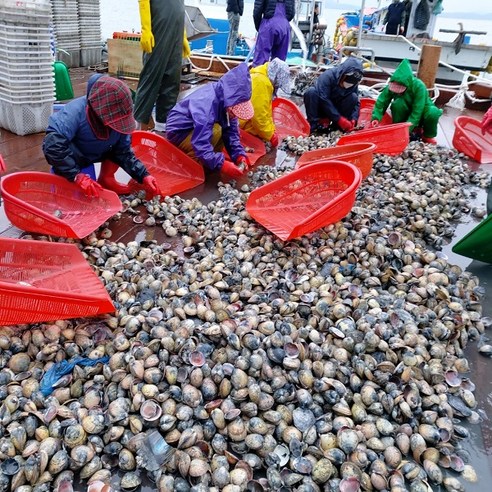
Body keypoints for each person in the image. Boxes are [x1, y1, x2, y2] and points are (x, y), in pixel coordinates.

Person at [42, 75, 160, 198]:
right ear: (98, 113)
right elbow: (52, 146)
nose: (120, 125)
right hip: (72, 159)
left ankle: (106, 179)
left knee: (119, 146)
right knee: (71, 201)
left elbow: (123, 152)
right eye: (115, 122)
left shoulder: (121, 117)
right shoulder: (73, 113)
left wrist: (144, 175)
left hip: (97, 152)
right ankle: (67, 175)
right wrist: (76, 175)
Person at [166, 63, 254, 179]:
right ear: (230, 101)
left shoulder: (228, 102)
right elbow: (200, 142)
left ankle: (209, 160)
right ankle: (191, 163)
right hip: (179, 130)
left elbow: (232, 132)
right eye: (235, 111)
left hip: (196, 127)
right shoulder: (206, 106)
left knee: (223, 130)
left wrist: (239, 155)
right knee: (216, 131)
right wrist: (222, 165)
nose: (235, 115)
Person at [133, 0, 184, 132]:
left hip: (176, 32)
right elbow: (143, 2)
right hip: (158, 30)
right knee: (151, 78)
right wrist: (146, 28)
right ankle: (138, 129)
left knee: (172, 80)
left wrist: (183, 35)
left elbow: (179, 8)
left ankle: (163, 127)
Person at [370, 58, 443, 144]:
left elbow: (417, 110)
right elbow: (382, 102)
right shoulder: (392, 85)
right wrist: (376, 117)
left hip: (422, 110)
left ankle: (427, 135)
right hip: (404, 110)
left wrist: (407, 130)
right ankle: (398, 129)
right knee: (397, 104)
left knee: (433, 112)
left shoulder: (419, 86)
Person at [303, 57, 364, 134]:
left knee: (353, 97)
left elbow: (356, 103)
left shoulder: (353, 84)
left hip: (338, 111)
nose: (347, 85)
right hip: (322, 109)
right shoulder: (328, 76)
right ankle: (314, 125)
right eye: (345, 82)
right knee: (311, 92)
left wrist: (353, 118)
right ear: (343, 75)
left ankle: (337, 129)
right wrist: (339, 118)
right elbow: (324, 98)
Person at [239, 58, 291, 147]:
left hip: (242, 119)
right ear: (276, 76)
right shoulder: (261, 82)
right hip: (238, 125)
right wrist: (270, 136)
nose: (277, 86)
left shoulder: (264, 78)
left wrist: (272, 130)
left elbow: (266, 111)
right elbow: (258, 116)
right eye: (278, 83)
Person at [252, 0, 295, 67]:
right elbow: (292, 13)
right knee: (279, 62)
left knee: (260, 60)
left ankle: (258, 75)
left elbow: (257, 11)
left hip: (268, 24)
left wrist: (259, 27)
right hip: (284, 26)